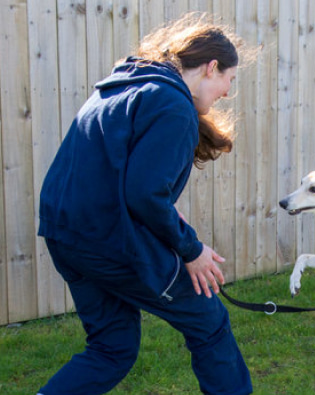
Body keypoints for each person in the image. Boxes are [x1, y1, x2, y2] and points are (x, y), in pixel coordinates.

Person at [37, 13, 252, 395]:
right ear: (211, 67)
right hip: (108, 241)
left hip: (65, 234)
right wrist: (191, 249)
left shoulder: (126, 84)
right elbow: (144, 193)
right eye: (228, 81)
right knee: (209, 323)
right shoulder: (173, 104)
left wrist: (161, 211)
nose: (226, 92)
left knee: (112, 346)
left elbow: (122, 177)